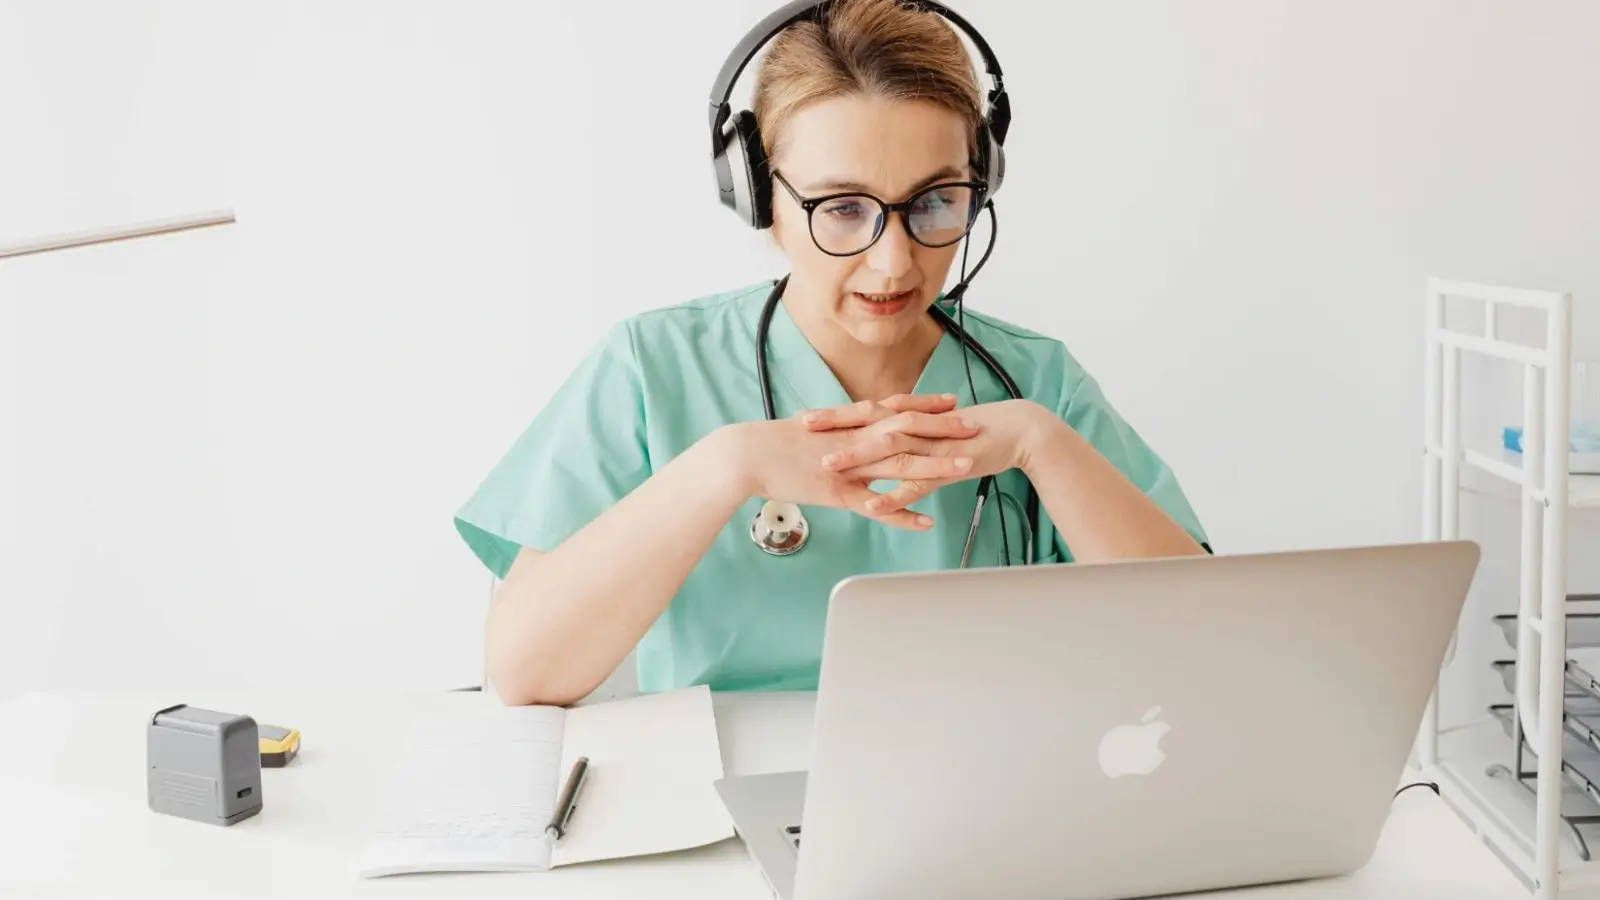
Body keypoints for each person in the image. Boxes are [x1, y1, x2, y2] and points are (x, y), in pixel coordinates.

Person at [454, 0, 1210, 707]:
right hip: (724, 812)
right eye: (842, 209)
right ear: (758, 198)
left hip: (985, 796)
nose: (894, 263)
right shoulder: (652, 368)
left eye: (935, 202)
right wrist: (724, 469)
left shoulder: (1036, 384)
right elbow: (523, 673)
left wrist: (1044, 446)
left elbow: (1206, 645)